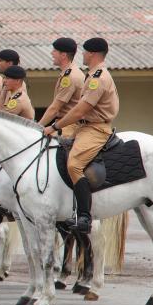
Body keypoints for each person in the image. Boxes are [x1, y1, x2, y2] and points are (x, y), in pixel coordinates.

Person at [43, 38, 119, 233]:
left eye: (84, 51)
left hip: (95, 128)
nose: (82, 54)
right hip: (85, 127)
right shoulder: (92, 75)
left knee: (74, 165)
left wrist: (54, 126)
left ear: (92, 54)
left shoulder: (98, 78)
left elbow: (79, 110)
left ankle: (84, 216)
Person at [38, 37, 85, 137]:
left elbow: (55, 108)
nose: (51, 53)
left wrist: (38, 126)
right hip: (64, 124)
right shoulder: (70, 72)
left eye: (55, 51)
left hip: (68, 126)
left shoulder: (69, 77)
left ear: (63, 55)